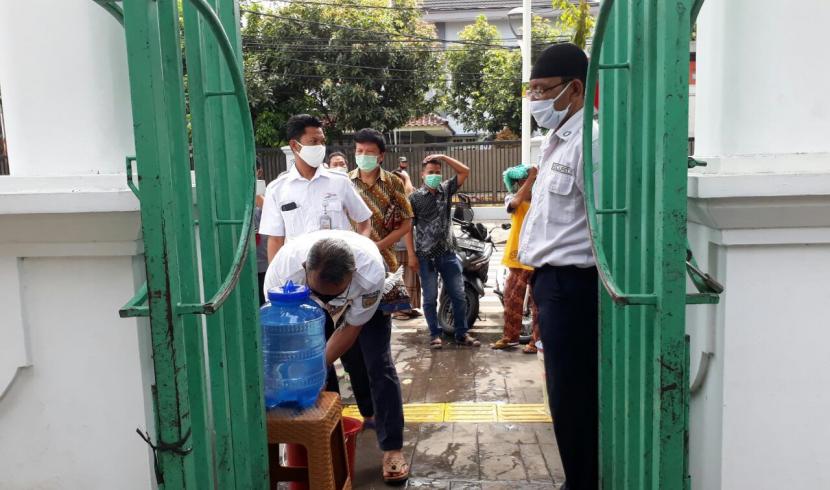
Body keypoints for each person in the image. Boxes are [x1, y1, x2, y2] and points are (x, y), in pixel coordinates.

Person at [263, 230, 409, 484]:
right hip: (303, 306)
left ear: (351, 276)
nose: (327, 300)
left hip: (362, 302)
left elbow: (350, 330)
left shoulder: (369, 273)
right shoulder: (283, 273)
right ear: (304, 268)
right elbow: (286, 335)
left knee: (377, 363)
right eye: (320, 292)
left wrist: (314, 367)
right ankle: (328, 442)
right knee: (324, 367)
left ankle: (392, 448)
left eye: (332, 295)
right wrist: (304, 372)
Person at [518, 43, 599, 490]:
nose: (535, 100)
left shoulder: (592, 142)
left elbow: (604, 222)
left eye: (543, 89)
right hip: (552, 283)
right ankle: (578, 477)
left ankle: (584, 481)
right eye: (531, 90)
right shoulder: (557, 143)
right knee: (562, 393)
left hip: (576, 285)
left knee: (573, 395)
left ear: (575, 89)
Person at [343, 128, 413, 436]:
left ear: (381, 155)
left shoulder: (394, 183)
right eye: (359, 150)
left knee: (377, 356)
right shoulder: (343, 182)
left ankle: (389, 430)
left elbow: (406, 222)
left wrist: (377, 247)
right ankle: (368, 412)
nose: (363, 156)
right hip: (347, 273)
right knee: (351, 357)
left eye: (369, 152)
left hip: (381, 271)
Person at [259, 114, 372, 262]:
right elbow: (275, 240)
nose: (320, 147)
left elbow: (364, 220)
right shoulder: (277, 189)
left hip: (339, 269)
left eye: (322, 142)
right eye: (313, 142)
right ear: (294, 146)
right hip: (298, 272)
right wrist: (277, 280)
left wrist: (358, 251)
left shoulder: (340, 181)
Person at [409, 154, 480, 348]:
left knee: (458, 295)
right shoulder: (414, 198)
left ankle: (461, 334)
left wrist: (443, 156)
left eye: (438, 173)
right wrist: (411, 255)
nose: (435, 176)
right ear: (422, 175)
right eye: (430, 173)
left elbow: (464, 171)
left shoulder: (446, 190)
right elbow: (408, 228)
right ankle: (434, 335)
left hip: (448, 253)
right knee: (430, 298)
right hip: (425, 257)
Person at [490, 164, 540, 352]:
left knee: (537, 303)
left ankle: (535, 342)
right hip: (516, 256)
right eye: (520, 181)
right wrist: (530, 179)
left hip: (536, 255)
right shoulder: (512, 198)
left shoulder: (540, 201)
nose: (525, 184)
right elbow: (515, 205)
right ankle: (510, 337)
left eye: (529, 181)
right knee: (511, 298)